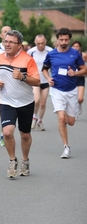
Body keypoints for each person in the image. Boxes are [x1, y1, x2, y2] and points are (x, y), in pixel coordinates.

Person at [0, 30, 40, 178]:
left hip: (25, 102)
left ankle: (25, 160)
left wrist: (23, 77)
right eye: (6, 41)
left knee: (25, 135)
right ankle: (12, 160)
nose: (7, 44)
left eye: (11, 42)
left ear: (19, 45)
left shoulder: (27, 59)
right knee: (7, 132)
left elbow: (37, 81)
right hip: (6, 102)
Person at [42, 28, 87, 159]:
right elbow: (44, 69)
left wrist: (75, 73)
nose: (64, 42)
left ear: (69, 40)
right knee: (61, 118)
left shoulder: (75, 53)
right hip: (57, 90)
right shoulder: (51, 54)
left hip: (71, 90)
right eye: (61, 39)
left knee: (71, 122)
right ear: (57, 40)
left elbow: (84, 69)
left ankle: (73, 112)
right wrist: (48, 78)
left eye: (66, 39)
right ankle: (66, 147)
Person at [27, 34, 53, 131]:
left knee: (43, 103)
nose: (40, 45)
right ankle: (34, 116)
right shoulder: (31, 51)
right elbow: (26, 64)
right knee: (36, 100)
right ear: (35, 43)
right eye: (38, 44)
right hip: (35, 79)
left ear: (45, 42)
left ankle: (40, 120)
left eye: (42, 43)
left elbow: (53, 65)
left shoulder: (50, 51)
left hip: (46, 79)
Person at [71, 40, 85, 116]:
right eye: (74, 46)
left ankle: (79, 105)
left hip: (80, 78)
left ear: (80, 47)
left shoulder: (83, 56)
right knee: (73, 98)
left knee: (80, 98)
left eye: (77, 46)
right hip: (72, 79)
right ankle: (74, 112)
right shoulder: (69, 55)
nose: (76, 48)